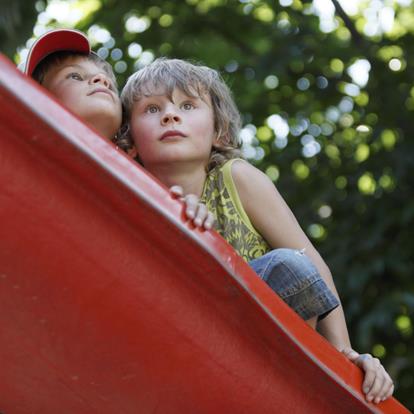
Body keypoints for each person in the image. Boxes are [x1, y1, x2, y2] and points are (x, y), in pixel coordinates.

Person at [119, 57, 394, 403]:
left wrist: (344, 353)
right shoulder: (134, 197)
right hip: (187, 334)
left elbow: (312, 267)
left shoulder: (237, 179)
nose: (170, 116)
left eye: (187, 105)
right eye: (151, 109)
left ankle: (291, 379)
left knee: (289, 266)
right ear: (130, 140)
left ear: (219, 133)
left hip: (256, 330)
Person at [23, 29, 214, 230]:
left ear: (130, 143)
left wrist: (185, 210)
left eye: (108, 82)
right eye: (75, 76)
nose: (102, 80)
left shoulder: (138, 185)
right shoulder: (25, 161)